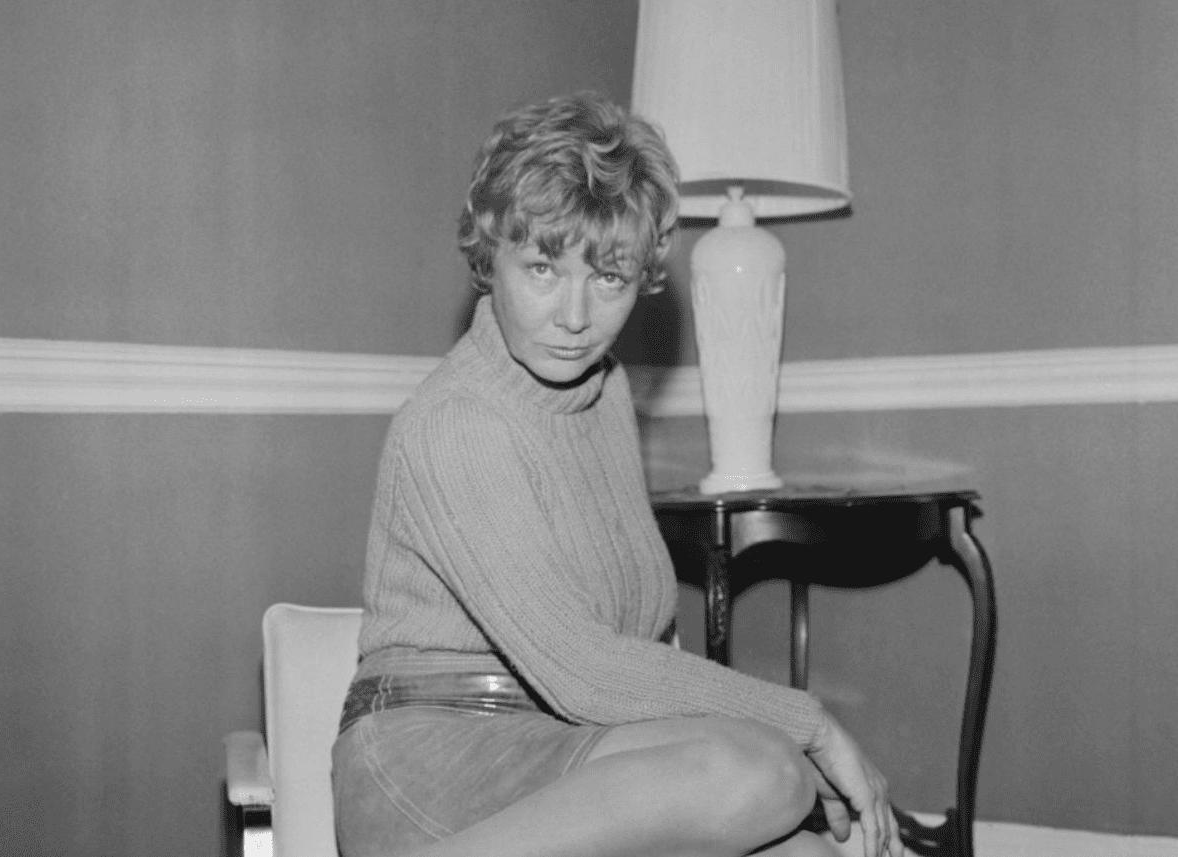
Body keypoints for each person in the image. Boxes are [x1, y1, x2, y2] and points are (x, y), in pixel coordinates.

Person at [331, 92, 902, 857]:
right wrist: (810, 723)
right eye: (542, 268)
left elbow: (635, 652)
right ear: (489, 260)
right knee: (768, 771)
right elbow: (581, 668)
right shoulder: (456, 422)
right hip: (432, 766)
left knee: (807, 843)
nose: (575, 316)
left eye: (608, 277)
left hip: (566, 742)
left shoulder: (604, 396)